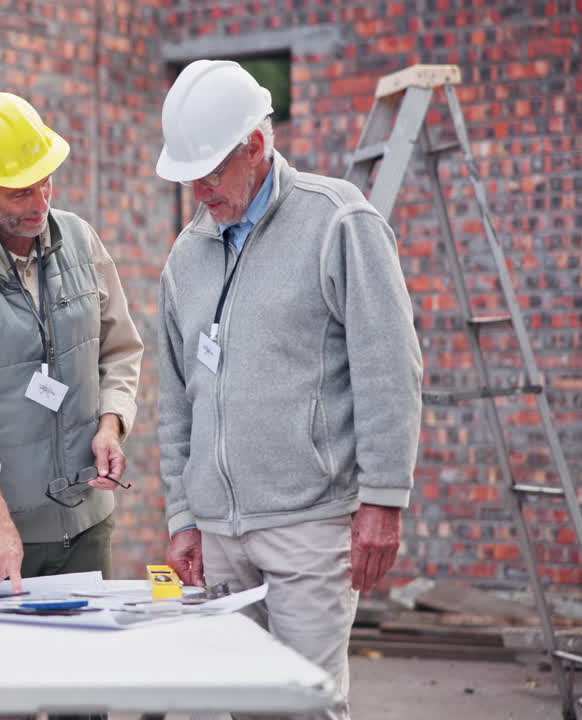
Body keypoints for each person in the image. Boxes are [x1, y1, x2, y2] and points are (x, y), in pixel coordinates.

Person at [154, 61, 423, 720]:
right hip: (217, 532)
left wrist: (383, 499)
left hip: (309, 525)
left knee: (302, 706)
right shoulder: (186, 257)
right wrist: (183, 516)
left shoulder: (338, 222)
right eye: (189, 177)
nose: (199, 191)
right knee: (221, 706)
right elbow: (175, 397)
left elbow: (389, 367)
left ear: (256, 145)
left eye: (211, 173)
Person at [0, 90, 144, 591]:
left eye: (46, 184)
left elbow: (120, 350)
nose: (41, 204)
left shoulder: (82, 241)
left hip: (87, 527)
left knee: (85, 670)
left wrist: (111, 426)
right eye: (20, 193)